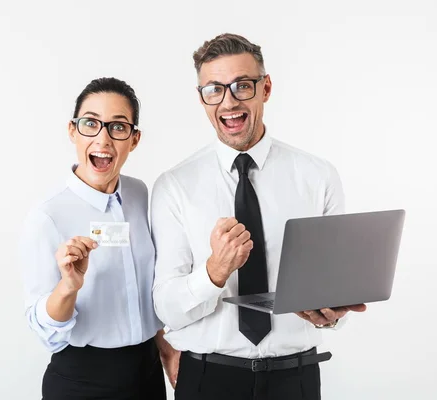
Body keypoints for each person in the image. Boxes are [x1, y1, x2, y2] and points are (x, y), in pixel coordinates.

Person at [151, 33, 366, 400]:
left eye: (242, 86)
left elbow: (333, 290)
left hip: (295, 378)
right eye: (214, 90)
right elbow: (166, 307)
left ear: (266, 88)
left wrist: (332, 314)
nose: (229, 101)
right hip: (208, 379)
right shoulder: (174, 186)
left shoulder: (317, 176)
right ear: (202, 99)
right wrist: (214, 272)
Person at [20, 77, 177, 400]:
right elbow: (45, 330)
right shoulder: (48, 215)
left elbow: (145, 287)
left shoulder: (139, 193)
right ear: (72, 130)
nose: (103, 139)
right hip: (83, 381)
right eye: (90, 123)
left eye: (118, 127)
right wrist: (69, 286)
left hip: (146, 374)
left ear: (134, 140)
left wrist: (165, 348)